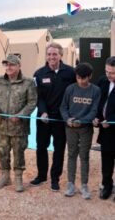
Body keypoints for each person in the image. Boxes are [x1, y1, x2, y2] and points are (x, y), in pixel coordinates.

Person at [31, 42, 76, 191]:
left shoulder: (70, 73)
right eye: (49, 54)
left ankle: (55, 178)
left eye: (55, 54)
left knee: (59, 149)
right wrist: (43, 112)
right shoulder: (39, 74)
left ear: (60, 55)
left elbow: (75, 94)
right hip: (44, 118)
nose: (52, 57)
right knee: (41, 147)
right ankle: (41, 175)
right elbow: (38, 96)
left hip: (61, 119)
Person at [0, 54, 37, 192]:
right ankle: (5, 177)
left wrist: (20, 115)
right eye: (7, 64)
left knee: (18, 152)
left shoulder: (28, 82)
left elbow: (32, 102)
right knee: (2, 151)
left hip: (19, 127)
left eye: (12, 64)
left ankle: (18, 178)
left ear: (19, 66)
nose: (8, 67)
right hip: (2, 126)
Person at [60, 63, 100, 199]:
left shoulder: (96, 90)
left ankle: (84, 185)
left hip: (86, 129)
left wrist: (82, 121)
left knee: (84, 156)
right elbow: (63, 107)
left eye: (84, 78)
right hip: (70, 128)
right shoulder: (70, 89)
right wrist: (67, 119)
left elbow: (94, 110)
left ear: (90, 76)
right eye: (78, 78)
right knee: (71, 155)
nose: (81, 81)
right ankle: (70, 184)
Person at [93, 56, 115, 201]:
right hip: (106, 130)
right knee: (106, 158)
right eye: (107, 71)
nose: (109, 75)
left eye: (112, 73)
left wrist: (112, 120)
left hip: (113, 125)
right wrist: (95, 117)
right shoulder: (102, 81)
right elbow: (96, 101)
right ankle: (107, 185)